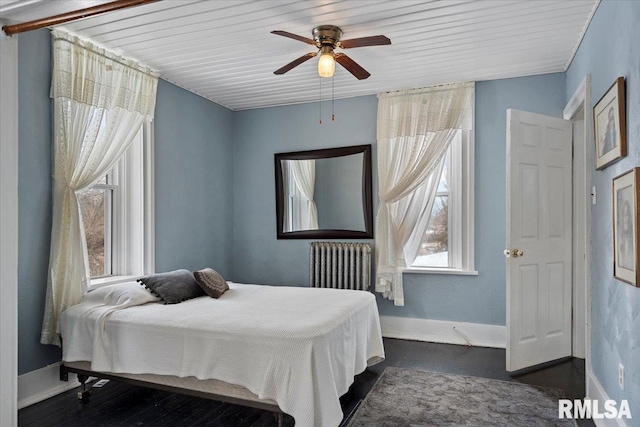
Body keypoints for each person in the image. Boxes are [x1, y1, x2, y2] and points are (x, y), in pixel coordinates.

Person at [618, 199, 634, 270]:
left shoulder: (632, 238)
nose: (625, 219)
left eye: (627, 215)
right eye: (624, 215)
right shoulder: (621, 238)